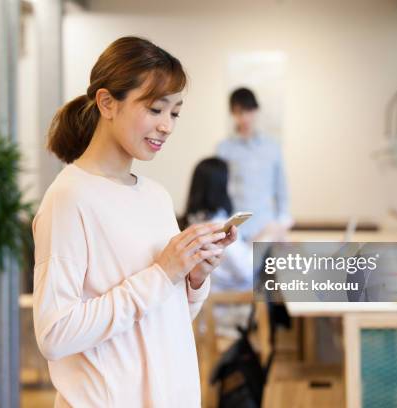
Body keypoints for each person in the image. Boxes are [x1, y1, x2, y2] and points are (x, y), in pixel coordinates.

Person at [31, 37, 237, 407]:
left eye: (174, 113)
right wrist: (161, 274)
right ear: (107, 103)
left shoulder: (156, 197)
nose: (167, 126)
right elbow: (55, 333)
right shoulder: (68, 199)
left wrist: (193, 278)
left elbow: (163, 319)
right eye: (156, 109)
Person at [183, 157, 281, 337]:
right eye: (231, 181)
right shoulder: (217, 226)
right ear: (219, 187)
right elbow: (246, 269)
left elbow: (235, 256)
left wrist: (256, 239)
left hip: (208, 306)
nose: (234, 188)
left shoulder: (194, 222)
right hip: (227, 307)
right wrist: (269, 236)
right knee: (273, 290)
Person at [217, 87, 293, 241]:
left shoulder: (272, 147)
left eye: (248, 111)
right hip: (237, 230)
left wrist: (282, 221)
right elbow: (219, 190)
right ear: (232, 113)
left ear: (256, 111)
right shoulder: (224, 149)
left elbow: (281, 189)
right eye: (239, 112)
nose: (244, 118)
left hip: (267, 227)